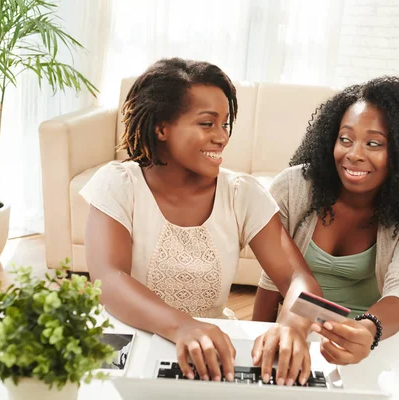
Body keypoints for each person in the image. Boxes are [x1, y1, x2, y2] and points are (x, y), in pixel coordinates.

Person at [80, 58, 323, 387]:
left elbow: (299, 279)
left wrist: (294, 326)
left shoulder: (241, 194)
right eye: (207, 124)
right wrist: (182, 326)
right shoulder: (119, 184)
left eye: (225, 124)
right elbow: (109, 280)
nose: (222, 137)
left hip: (209, 355)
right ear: (162, 127)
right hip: (127, 345)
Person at [253, 76, 399, 366]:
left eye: (374, 143)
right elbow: (271, 278)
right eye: (345, 139)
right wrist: (257, 336)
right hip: (300, 322)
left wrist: (366, 329)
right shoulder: (293, 187)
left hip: (378, 330)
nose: (354, 154)